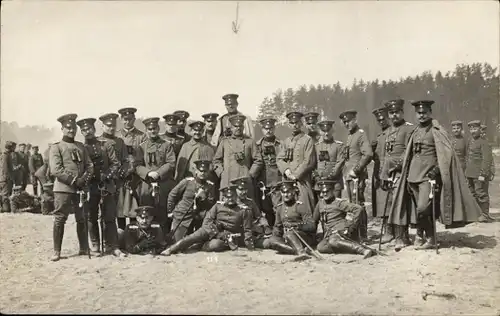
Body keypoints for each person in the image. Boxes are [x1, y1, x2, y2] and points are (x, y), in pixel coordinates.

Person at [387, 100, 481, 251]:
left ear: (430, 113)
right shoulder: (416, 131)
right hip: (413, 176)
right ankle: (424, 235)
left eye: (424, 112)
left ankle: (426, 236)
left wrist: (436, 170)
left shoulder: (437, 130)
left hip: (428, 176)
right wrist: (397, 166)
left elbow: (446, 154)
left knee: (424, 208)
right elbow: (409, 153)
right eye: (419, 113)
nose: (422, 115)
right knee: (419, 208)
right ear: (416, 114)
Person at [49, 113, 94, 261]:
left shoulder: (81, 146)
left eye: (73, 128)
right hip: (63, 189)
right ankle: (57, 251)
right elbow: (56, 170)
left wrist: (84, 180)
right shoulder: (56, 147)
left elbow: (89, 165)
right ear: (62, 129)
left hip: (80, 188)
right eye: (68, 128)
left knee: (82, 218)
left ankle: (83, 247)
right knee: (60, 219)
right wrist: (74, 181)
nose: (71, 131)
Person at [77, 117, 125, 257]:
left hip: (106, 185)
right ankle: (96, 245)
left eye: (89, 129)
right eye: (84, 130)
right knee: (91, 217)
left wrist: (107, 175)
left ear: (94, 129)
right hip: (90, 187)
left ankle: (114, 246)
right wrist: (87, 178)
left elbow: (116, 164)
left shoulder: (106, 145)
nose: (87, 132)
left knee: (109, 216)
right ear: (81, 132)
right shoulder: (80, 148)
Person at [161, 185, 254, 255]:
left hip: (226, 236)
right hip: (211, 229)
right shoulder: (218, 206)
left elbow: (247, 229)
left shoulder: (244, 210)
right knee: (191, 237)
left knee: (215, 245)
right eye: (227, 197)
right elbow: (206, 222)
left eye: (232, 197)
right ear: (224, 197)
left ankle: (200, 246)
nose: (230, 199)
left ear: (236, 197)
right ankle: (171, 249)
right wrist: (216, 233)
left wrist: (250, 245)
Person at [380, 99, 415, 247]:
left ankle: (402, 237)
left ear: (402, 112)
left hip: (402, 171)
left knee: (400, 203)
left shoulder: (409, 129)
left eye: (397, 112)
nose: (394, 116)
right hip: (388, 172)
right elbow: (384, 154)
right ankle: (390, 232)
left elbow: (409, 151)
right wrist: (383, 173)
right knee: (388, 202)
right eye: (391, 113)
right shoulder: (387, 131)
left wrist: (396, 166)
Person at [135, 117, 176, 235]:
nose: (153, 131)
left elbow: (171, 162)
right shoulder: (141, 147)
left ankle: (163, 238)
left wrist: (159, 173)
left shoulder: (166, 145)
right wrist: (148, 173)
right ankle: (147, 238)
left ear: (159, 129)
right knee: (146, 212)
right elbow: (137, 165)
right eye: (150, 129)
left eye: (155, 128)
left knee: (163, 211)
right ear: (146, 130)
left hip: (163, 184)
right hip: (147, 184)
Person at [314, 180, 375, 258]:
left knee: (333, 241)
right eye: (322, 192)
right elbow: (314, 220)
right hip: (329, 234)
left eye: (327, 191)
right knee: (321, 247)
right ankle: (346, 247)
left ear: (332, 190)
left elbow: (358, 209)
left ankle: (362, 250)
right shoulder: (320, 203)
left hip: (342, 232)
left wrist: (352, 227)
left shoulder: (339, 203)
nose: (324, 194)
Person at [99, 113, 138, 231]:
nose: (111, 128)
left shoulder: (120, 141)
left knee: (122, 210)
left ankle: (125, 237)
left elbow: (126, 159)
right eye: (108, 125)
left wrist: (125, 171)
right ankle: (110, 239)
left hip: (120, 181)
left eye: (113, 126)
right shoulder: (98, 142)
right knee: (108, 214)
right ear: (102, 126)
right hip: (105, 182)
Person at [339, 110, 373, 241]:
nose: (347, 124)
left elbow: (368, 154)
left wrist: (357, 170)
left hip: (356, 176)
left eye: (349, 121)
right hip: (349, 177)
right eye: (345, 122)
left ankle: (362, 234)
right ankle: (356, 233)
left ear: (355, 120)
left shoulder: (360, 135)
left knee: (359, 204)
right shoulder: (350, 136)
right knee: (353, 204)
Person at [213, 114, 262, 201]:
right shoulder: (224, 142)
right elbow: (216, 160)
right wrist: (221, 173)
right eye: (235, 126)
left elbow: (258, 160)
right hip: (227, 179)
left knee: (245, 205)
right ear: (231, 128)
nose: (238, 128)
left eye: (240, 126)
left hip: (244, 180)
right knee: (227, 206)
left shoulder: (250, 142)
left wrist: (250, 174)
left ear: (243, 127)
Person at [276, 112, 316, 217]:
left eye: (297, 122)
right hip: (288, 180)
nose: (295, 125)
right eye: (292, 123)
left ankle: (308, 230)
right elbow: (279, 159)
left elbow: (309, 161)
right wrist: (287, 171)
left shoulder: (308, 140)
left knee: (305, 205)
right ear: (289, 124)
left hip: (302, 180)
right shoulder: (286, 141)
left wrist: (296, 175)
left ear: (301, 123)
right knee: (288, 207)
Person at [167, 160, 216, 242]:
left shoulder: (210, 186)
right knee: (177, 242)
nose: (202, 173)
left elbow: (211, 205)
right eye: (200, 171)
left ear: (208, 172)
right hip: (182, 217)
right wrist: (170, 211)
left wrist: (204, 198)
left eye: (205, 171)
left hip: (198, 219)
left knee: (197, 244)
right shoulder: (187, 182)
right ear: (196, 171)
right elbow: (172, 195)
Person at [117, 107, 147, 228]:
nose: (127, 122)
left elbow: (144, 158)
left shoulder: (142, 136)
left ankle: (134, 237)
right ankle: (122, 237)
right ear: (121, 120)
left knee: (135, 208)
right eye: (125, 119)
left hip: (136, 178)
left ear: (134, 119)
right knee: (120, 209)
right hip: (120, 177)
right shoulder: (117, 136)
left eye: (130, 119)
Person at [272, 180, 317, 261]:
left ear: (293, 191)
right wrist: (275, 236)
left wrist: (297, 226)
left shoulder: (300, 206)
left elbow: (312, 226)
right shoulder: (280, 207)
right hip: (287, 237)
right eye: (283, 192)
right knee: (272, 241)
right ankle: (301, 250)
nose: (285, 194)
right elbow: (277, 226)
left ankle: (301, 252)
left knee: (289, 234)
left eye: (288, 192)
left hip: (303, 237)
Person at [251, 117, 282, 226]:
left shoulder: (280, 144)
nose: (268, 131)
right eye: (266, 128)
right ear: (262, 130)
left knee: (278, 207)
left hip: (277, 182)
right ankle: (270, 232)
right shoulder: (257, 145)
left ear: (274, 128)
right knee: (266, 209)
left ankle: (279, 231)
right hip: (263, 182)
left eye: (271, 128)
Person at [466, 120, 494, 222]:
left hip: (479, 174)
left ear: (479, 129)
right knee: (472, 193)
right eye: (471, 129)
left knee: (481, 193)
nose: (473, 131)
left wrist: (483, 174)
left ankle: (485, 214)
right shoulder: (470, 141)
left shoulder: (484, 142)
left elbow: (486, 159)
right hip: (470, 173)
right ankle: (476, 213)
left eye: (475, 128)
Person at [313, 119, 344, 198]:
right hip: (320, 183)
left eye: (328, 131)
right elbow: (313, 163)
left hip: (334, 183)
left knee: (335, 207)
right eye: (324, 131)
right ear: (320, 132)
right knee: (321, 207)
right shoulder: (316, 146)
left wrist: (329, 177)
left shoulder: (338, 146)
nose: (326, 133)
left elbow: (340, 163)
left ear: (332, 130)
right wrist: (317, 177)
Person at [0, 141, 15, 213]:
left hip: (6, 178)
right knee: (5, 194)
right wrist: (7, 177)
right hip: (5, 178)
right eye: (13, 146)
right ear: (10, 147)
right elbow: (4, 168)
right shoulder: (5, 155)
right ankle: (5, 208)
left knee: (6, 193)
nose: (14, 148)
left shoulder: (8, 154)